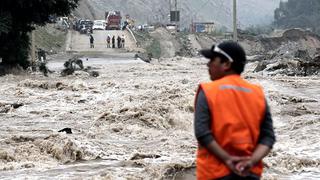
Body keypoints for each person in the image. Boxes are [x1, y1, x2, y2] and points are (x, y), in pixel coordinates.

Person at [194, 41, 275, 180]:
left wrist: (227, 159)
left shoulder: (208, 91)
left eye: (213, 60)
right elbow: (268, 137)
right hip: (249, 173)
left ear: (226, 64)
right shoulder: (257, 93)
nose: (208, 64)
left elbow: (202, 133)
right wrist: (251, 161)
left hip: (215, 173)